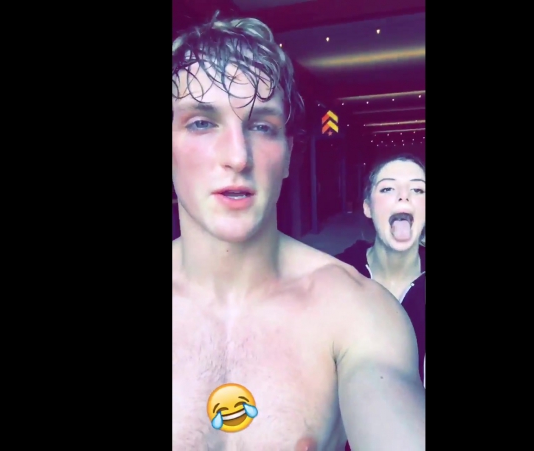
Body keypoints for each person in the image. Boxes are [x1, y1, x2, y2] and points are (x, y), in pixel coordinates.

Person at [171, 12, 425, 451]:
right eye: (202, 123)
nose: (238, 156)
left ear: (288, 155)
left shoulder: (360, 312)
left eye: (262, 126)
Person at [336, 155, 426, 388]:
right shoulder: (337, 275)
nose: (404, 196)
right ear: (368, 207)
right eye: (387, 188)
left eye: (418, 189)